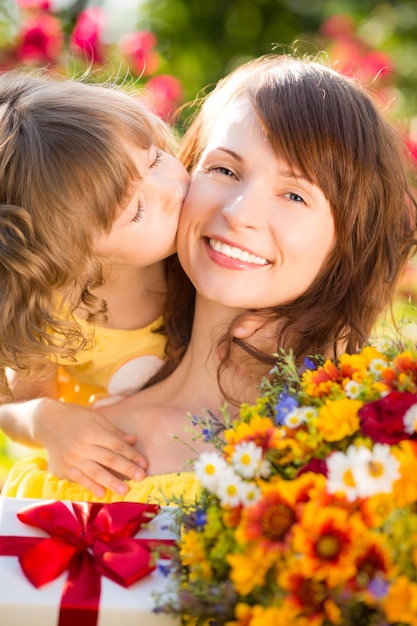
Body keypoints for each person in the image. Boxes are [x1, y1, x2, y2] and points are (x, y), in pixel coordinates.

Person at [3, 53, 417, 504]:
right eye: (223, 170)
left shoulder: (374, 446)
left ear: (351, 240)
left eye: (295, 194)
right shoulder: (78, 462)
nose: (238, 214)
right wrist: (43, 417)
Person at [0, 69, 191, 496]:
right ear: (73, 255)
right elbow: (11, 408)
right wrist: (45, 419)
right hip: (106, 479)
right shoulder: (54, 312)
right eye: (137, 211)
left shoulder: (200, 259)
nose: (172, 190)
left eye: (156, 158)